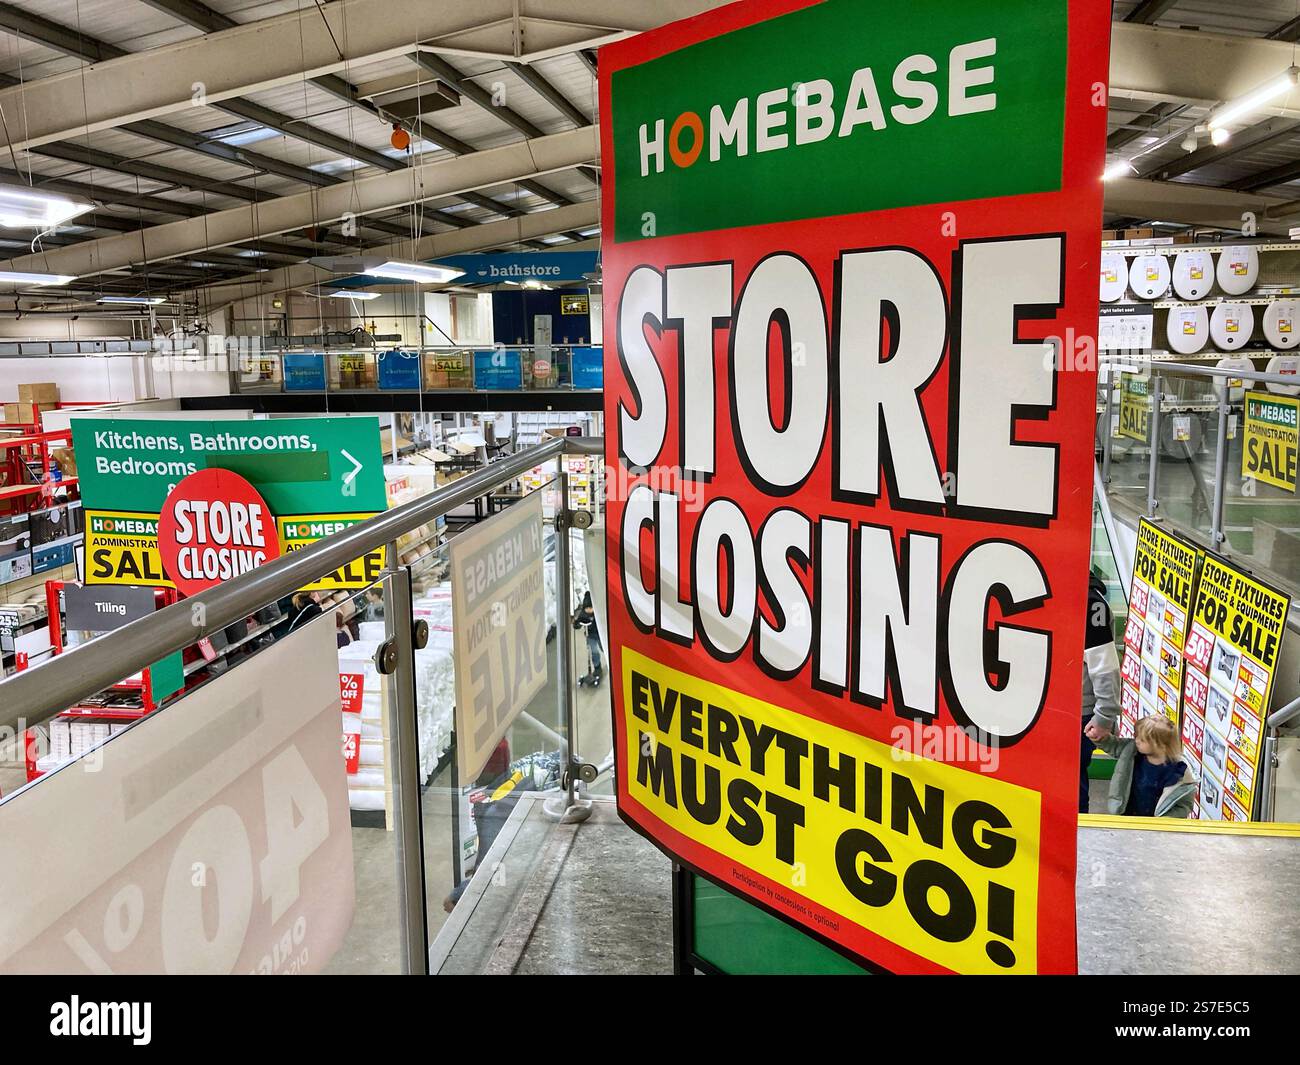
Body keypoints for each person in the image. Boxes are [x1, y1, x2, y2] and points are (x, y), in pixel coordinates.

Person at [1085, 714, 1196, 817]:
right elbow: (1113, 745)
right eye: (1136, 736)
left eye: (1142, 740)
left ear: (1160, 745)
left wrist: (1165, 821)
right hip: (1126, 815)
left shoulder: (1179, 772)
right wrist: (1099, 738)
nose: (1137, 741)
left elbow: (1184, 805)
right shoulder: (1131, 750)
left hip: (1156, 827)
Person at [1079, 572, 1122, 813]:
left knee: (1071, 786)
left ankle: (1079, 842)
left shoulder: (1089, 603)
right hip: (1056, 708)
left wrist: (1104, 716)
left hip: (1078, 714)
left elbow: (1104, 666)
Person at [572, 591, 602, 686]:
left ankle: (612, 663)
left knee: (604, 649)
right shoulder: (583, 614)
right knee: (594, 652)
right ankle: (597, 667)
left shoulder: (597, 613)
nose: (589, 610)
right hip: (590, 636)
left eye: (591, 608)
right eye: (587, 608)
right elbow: (578, 623)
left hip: (599, 635)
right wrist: (576, 624)